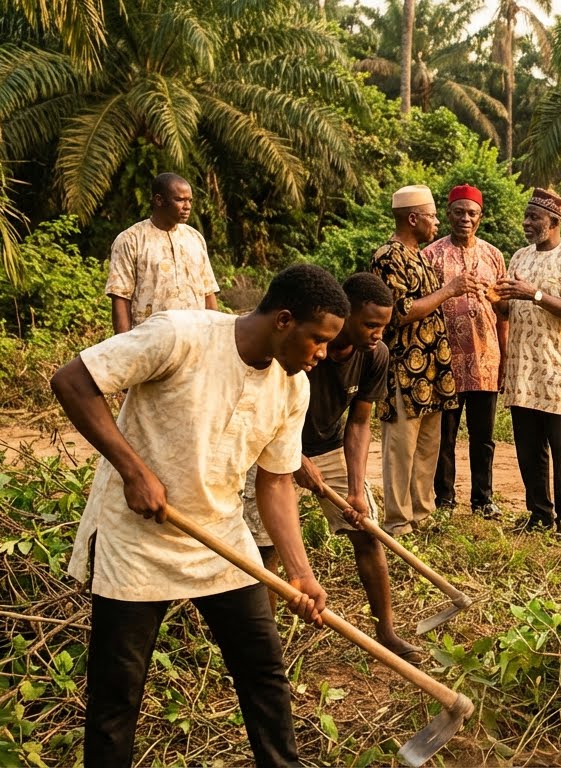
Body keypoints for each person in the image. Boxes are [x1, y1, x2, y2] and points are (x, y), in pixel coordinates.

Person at [50, 264, 346, 767]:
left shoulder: (293, 388)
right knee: (116, 694)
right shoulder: (180, 335)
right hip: (134, 539)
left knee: (264, 672)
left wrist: (300, 572)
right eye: (317, 340)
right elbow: (73, 381)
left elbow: (275, 482)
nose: (322, 355)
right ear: (284, 319)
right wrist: (133, 470)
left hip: (222, 538)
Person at [242, 273, 423, 661]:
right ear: (347, 313)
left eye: (384, 326)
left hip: (325, 447)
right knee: (267, 547)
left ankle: (386, 632)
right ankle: (266, 652)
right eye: (370, 324)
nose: (377, 333)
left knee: (367, 533)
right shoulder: (300, 344)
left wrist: (356, 490)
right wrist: (292, 459)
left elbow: (359, 424)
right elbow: (263, 412)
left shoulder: (375, 356)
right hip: (267, 446)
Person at [370, 184, 468, 536]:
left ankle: (421, 516)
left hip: (432, 369)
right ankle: (398, 523)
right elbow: (399, 312)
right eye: (431, 216)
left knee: (428, 448)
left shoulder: (421, 257)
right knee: (400, 451)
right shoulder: (387, 257)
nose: (437, 222)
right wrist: (449, 290)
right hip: (403, 369)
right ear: (413, 219)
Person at [495, 188, 561, 534]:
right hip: (523, 371)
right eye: (526, 216)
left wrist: (533, 294)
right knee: (529, 449)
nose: (526, 222)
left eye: (533, 217)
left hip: (558, 372)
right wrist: (494, 299)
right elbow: (508, 310)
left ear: (553, 222)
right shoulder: (519, 258)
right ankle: (539, 515)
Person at [423, 184, 508, 519]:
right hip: (446, 360)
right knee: (444, 435)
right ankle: (444, 499)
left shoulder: (493, 256)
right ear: (448, 214)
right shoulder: (431, 255)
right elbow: (425, 308)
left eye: (472, 213)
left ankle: (483, 499)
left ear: (480, 217)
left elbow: (504, 313)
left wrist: (505, 357)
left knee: (483, 437)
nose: (465, 219)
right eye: (459, 212)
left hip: (486, 361)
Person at [105, 173, 220, 334]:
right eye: (180, 200)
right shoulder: (130, 240)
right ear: (159, 200)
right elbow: (120, 297)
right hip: (150, 341)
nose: (187, 206)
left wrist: (215, 334)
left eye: (190, 200)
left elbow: (208, 293)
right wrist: (123, 346)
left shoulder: (195, 238)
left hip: (196, 338)